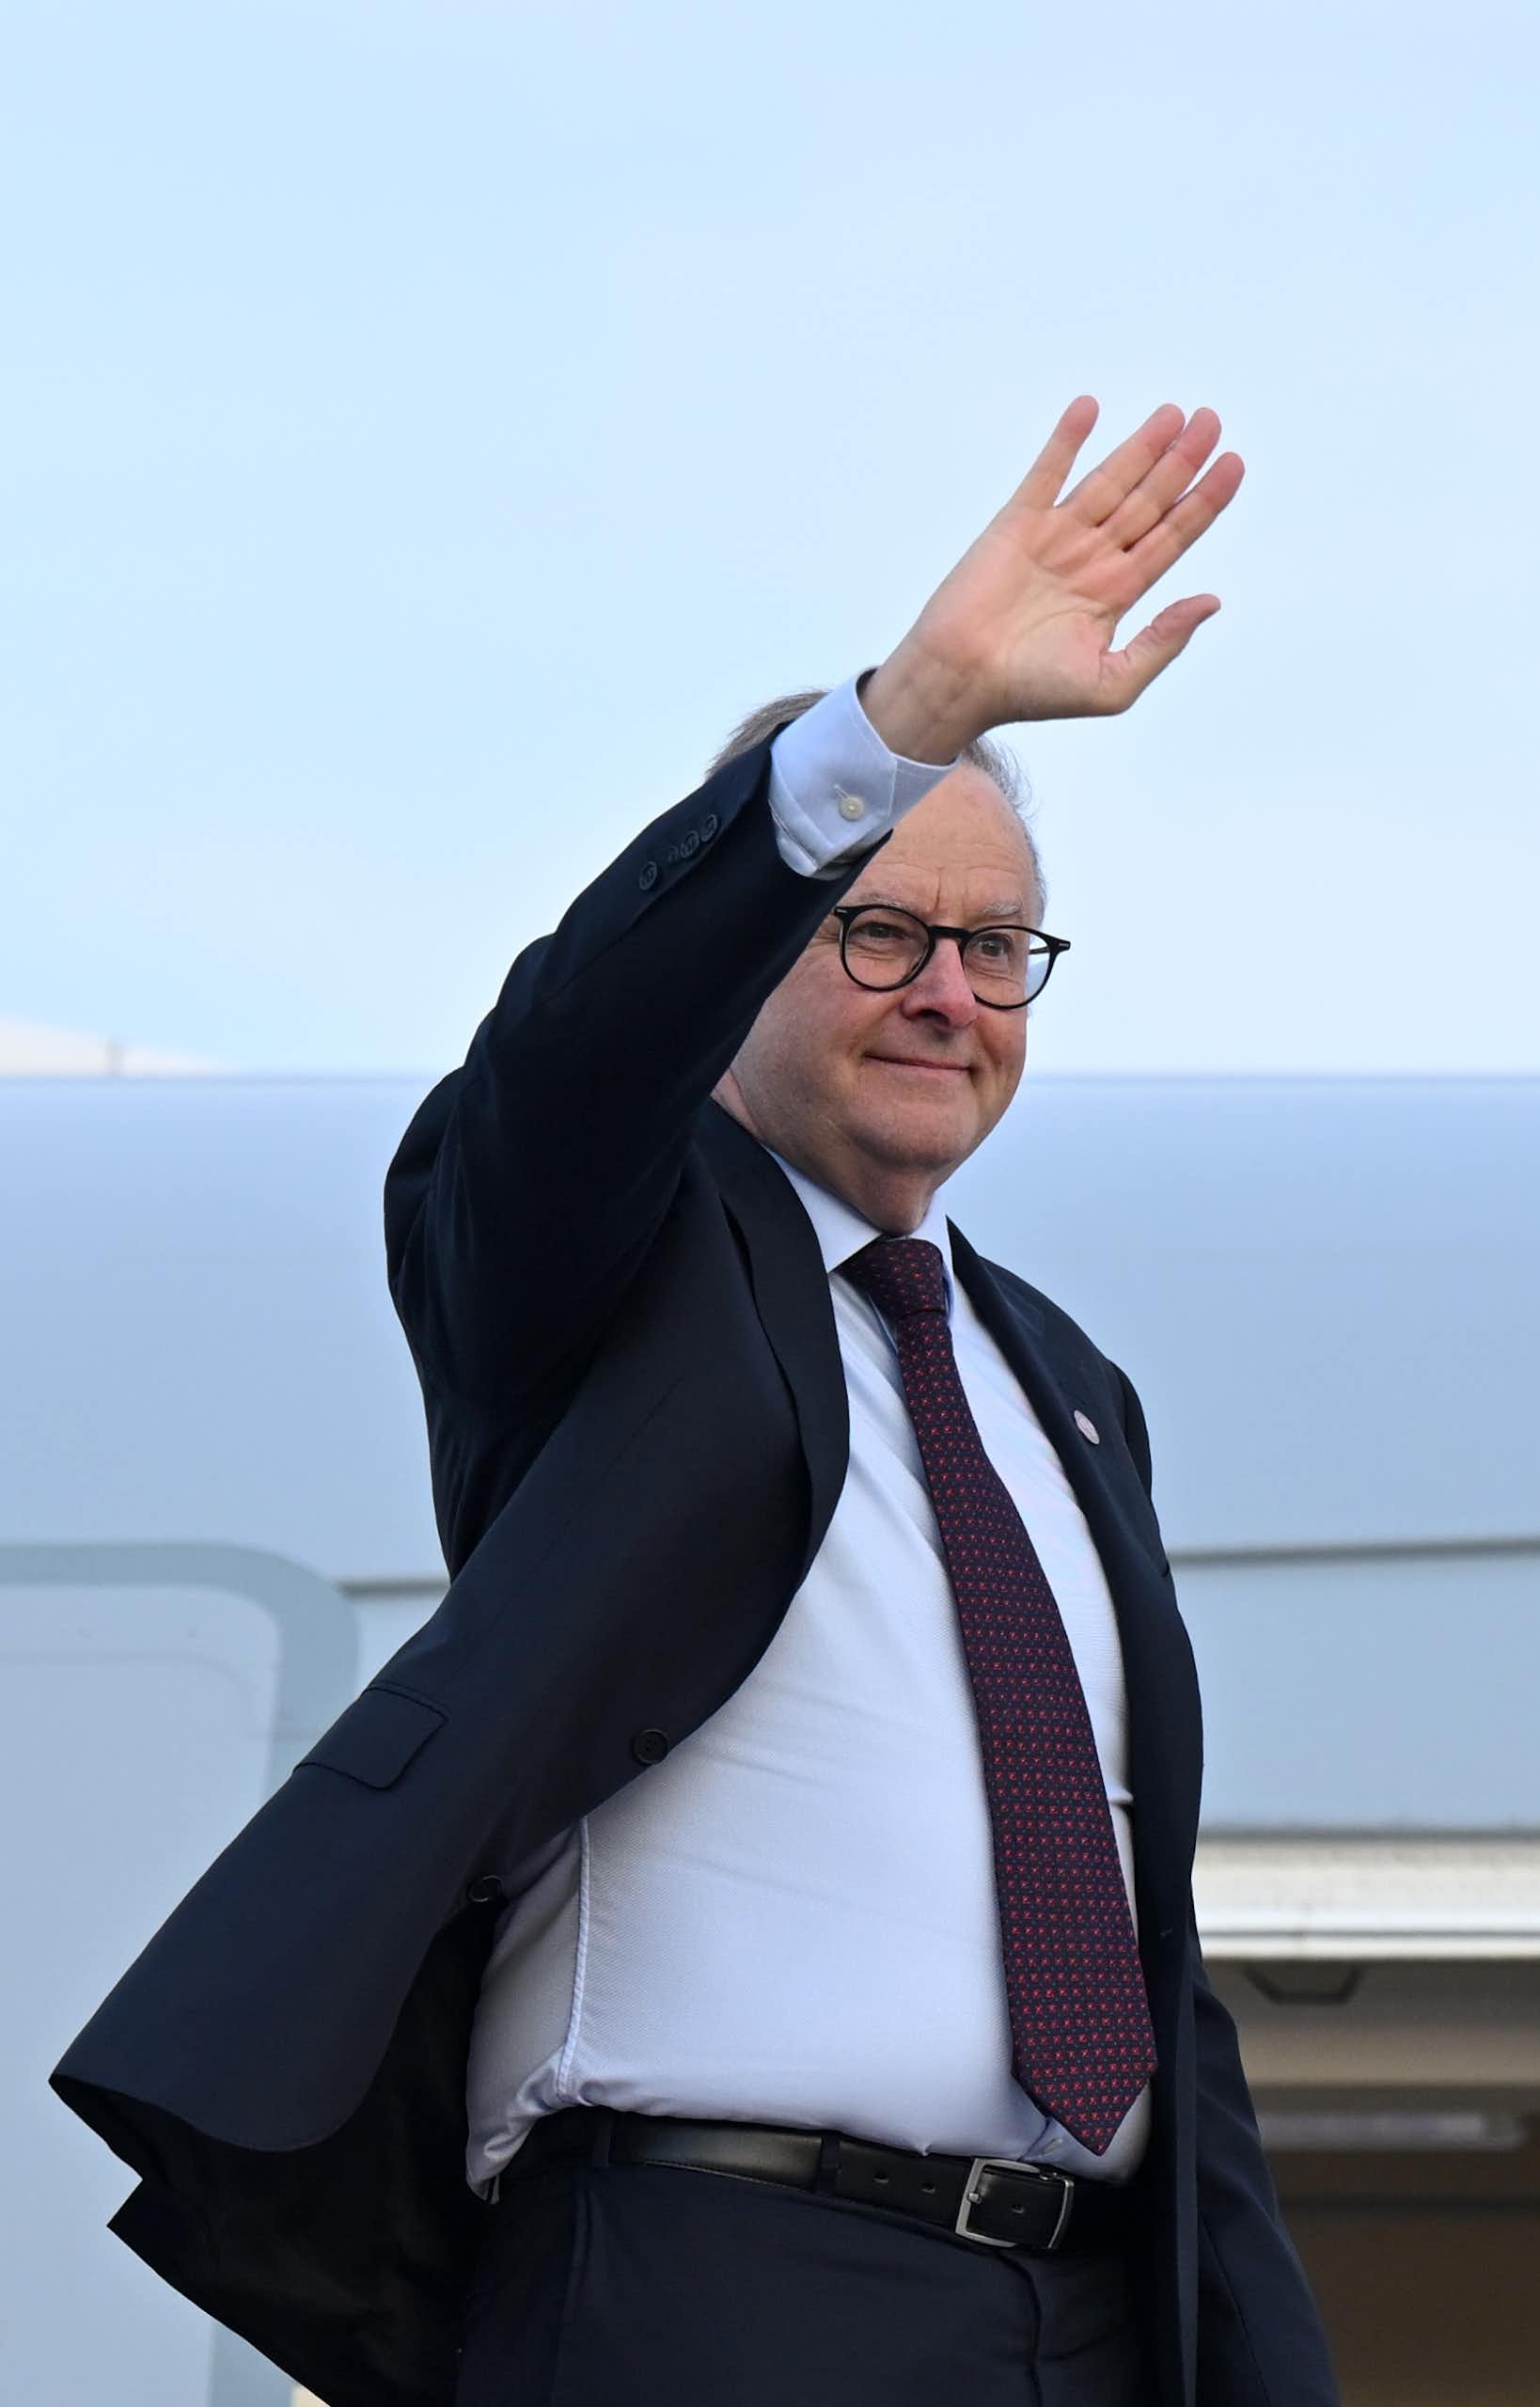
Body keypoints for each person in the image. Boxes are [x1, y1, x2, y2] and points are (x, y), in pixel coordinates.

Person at [54, 398, 1341, 2407]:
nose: (946, 993)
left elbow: (1134, 1937)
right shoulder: (607, 1261)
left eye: (996, 949)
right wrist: (901, 714)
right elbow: (581, 1048)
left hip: (1077, 2316)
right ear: (754, 950)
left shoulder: (1065, 1392)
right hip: (710, 2284)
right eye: (880, 927)